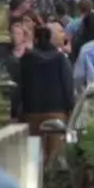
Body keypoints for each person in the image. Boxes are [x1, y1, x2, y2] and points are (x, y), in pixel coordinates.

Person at [14, 25, 75, 163]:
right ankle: (52, 174)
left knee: (34, 154)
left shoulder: (26, 59)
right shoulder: (60, 58)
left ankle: (35, 174)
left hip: (32, 111)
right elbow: (67, 84)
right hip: (57, 111)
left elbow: (20, 85)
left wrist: (17, 109)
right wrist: (70, 106)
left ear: (35, 39)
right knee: (56, 153)